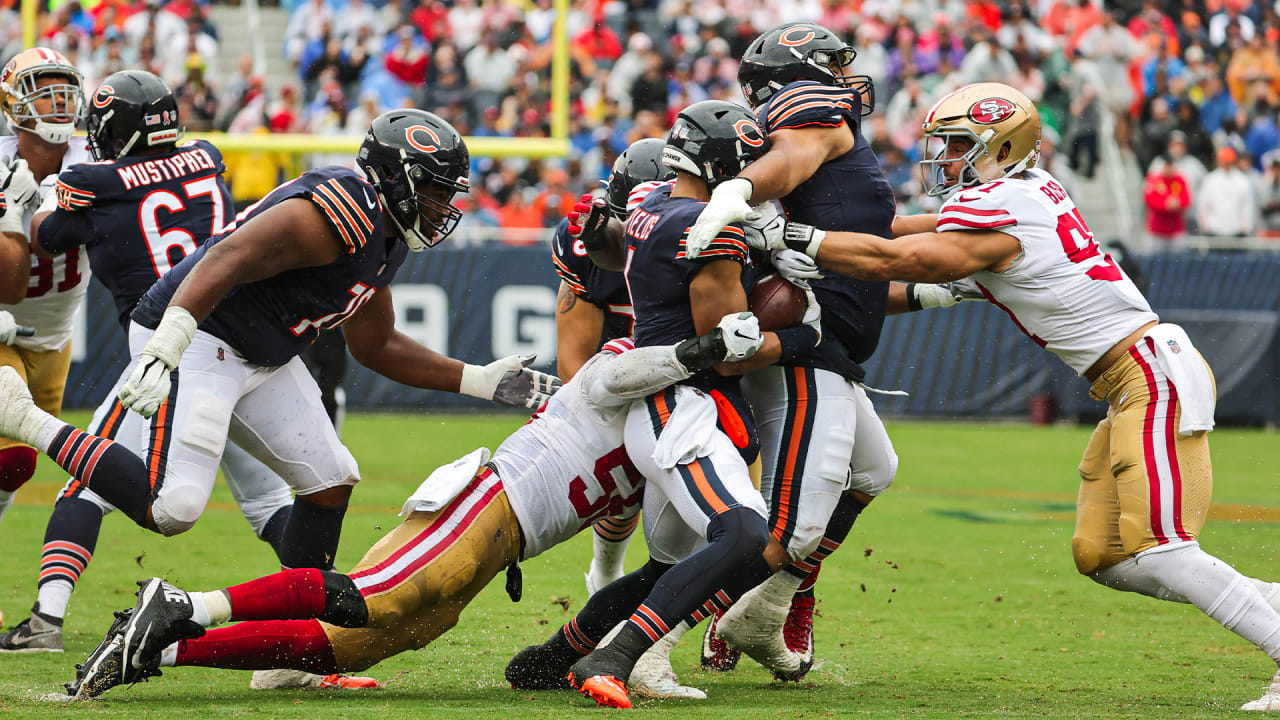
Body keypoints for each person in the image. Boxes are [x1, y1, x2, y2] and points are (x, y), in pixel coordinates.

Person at [705, 81, 1280, 712]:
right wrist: (804, 233)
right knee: (1104, 556)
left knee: (1163, 550)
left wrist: (792, 238)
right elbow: (895, 234)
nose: (943, 157)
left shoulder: (1004, 205)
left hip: (1150, 375)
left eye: (956, 144)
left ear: (1003, 146)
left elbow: (916, 260)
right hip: (1128, 382)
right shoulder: (1021, 192)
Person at [0, 109, 559, 598]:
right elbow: (225, 258)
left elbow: (377, 344)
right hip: (200, 336)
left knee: (331, 477)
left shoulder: (386, 235)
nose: (443, 207)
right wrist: (166, 346)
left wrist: (478, 381)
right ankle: (24, 416)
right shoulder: (335, 209)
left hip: (260, 354)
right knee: (172, 508)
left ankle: (294, 649)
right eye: (435, 191)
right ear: (395, 178)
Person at [64, 312, 767, 699]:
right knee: (380, 596)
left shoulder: (678, 423)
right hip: (493, 501)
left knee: (368, 635)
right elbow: (621, 369)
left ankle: (164, 649)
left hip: (510, 533)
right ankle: (186, 604)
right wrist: (698, 348)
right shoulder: (634, 365)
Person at [507, 100, 821, 710]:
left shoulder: (652, 202)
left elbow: (625, 239)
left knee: (665, 568)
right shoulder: (708, 227)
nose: (758, 172)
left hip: (662, 404)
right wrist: (807, 330)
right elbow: (729, 349)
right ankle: (616, 657)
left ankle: (554, 656)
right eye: (747, 159)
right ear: (721, 160)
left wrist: (601, 234)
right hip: (684, 406)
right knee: (746, 537)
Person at [0, 71, 308, 661]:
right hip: (241, 342)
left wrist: (23, 203)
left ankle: (45, 620)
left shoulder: (94, 181)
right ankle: (315, 608)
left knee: (89, 484)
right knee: (272, 503)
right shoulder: (209, 158)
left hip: (174, 351)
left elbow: (47, 237)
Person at [686, 22, 960, 680]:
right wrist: (743, 189)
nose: (844, 80)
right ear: (795, 77)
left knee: (873, 469)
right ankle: (644, 633)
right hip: (807, 350)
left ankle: (772, 601)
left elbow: (876, 238)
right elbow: (794, 159)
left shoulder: (835, 159)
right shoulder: (810, 128)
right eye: (830, 67)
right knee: (792, 529)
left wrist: (960, 245)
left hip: (831, 343)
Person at [0, 48, 91, 527]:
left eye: (64, 88)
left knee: (10, 472)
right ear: (12, 101)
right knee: (12, 460)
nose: (57, 100)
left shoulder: (94, 160)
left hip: (54, 337)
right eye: (42, 89)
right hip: (2, 327)